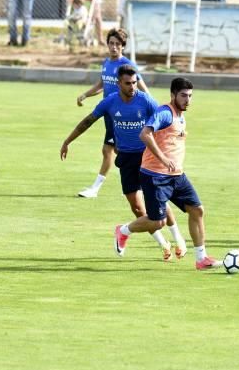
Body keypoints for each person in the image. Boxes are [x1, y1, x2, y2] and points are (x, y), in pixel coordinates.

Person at [61, 66, 187, 261]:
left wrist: (175, 138)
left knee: (159, 202)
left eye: (135, 82)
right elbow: (88, 121)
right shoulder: (109, 102)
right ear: (118, 83)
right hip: (126, 159)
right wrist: (67, 141)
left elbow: (166, 118)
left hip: (148, 158)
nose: (133, 87)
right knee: (137, 208)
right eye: (128, 83)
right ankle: (164, 245)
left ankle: (179, 240)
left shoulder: (145, 100)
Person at [113, 78, 221, 270]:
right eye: (183, 96)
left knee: (197, 210)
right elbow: (145, 134)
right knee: (157, 222)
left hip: (177, 176)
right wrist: (163, 158)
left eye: (190, 96)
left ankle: (201, 258)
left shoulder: (181, 115)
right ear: (173, 95)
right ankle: (123, 230)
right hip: (155, 176)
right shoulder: (164, 113)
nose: (187, 100)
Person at [75, 28, 148, 199]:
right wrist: (85, 95)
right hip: (108, 115)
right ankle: (143, 181)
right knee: (118, 151)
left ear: (123, 46)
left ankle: (95, 188)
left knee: (107, 150)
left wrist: (152, 107)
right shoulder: (106, 63)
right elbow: (102, 85)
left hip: (121, 115)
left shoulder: (127, 66)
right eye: (111, 43)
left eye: (118, 44)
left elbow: (141, 87)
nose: (114, 47)